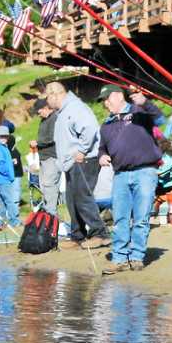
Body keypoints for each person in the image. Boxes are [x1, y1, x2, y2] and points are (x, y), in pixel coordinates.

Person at [98, 87, 162, 270]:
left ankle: (137, 256)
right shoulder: (106, 125)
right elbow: (102, 148)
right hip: (120, 175)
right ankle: (119, 258)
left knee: (141, 217)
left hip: (145, 172)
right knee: (120, 218)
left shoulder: (138, 112)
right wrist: (102, 156)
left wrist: (145, 102)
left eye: (107, 99)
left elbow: (160, 118)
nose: (105, 103)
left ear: (118, 96)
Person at [46, 81, 104, 244]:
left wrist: (82, 150)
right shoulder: (63, 112)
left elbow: (90, 128)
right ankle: (77, 235)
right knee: (72, 200)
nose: (47, 102)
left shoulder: (75, 108)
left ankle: (99, 233)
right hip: (71, 162)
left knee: (82, 197)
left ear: (54, 94)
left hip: (84, 160)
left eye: (47, 97)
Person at [0, 122, 21, 232]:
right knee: (9, 200)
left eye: (5, 136)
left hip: (3, 179)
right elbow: (0, 164)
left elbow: (3, 162)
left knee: (0, 201)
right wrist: (8, 173)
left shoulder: (3, 147)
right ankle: (14, 221)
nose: (3, 138)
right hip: (3, 179)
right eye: (1, 136)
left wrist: (9, 163)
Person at [34, 97, 61, 228]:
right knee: (44, 187)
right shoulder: (43, 121)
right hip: (43, 159)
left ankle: (52, 220)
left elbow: (53, 138)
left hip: (52, 157)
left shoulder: (54, 118)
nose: (38, 115)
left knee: (50, 187)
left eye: (39, 112)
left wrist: (37, 143)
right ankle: (48, 217)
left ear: (45, 108)